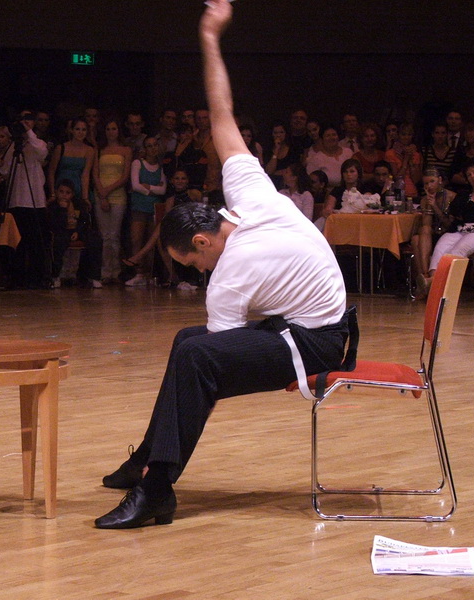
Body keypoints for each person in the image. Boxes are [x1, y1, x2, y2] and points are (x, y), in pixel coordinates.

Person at [95, 0, 349, 530]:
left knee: (197, 358)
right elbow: (222, 114)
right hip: (305, 323)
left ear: (203, 240)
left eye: (191, 263)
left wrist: (210, 34)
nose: (196, 273)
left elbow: (215, 366)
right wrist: (210, 36)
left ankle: (157, 488)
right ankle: (149, 460)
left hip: (317, 342)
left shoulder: (232, 272)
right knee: (188, 343)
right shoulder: (249, 192)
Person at [421, 158, 474, 292]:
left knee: (458, 250)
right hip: (459, 229)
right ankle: (434, 283)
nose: (472, 176)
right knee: (440, 247)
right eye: (469, 174)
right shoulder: (464, 195)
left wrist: (472, 210)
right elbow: (456, 211)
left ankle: (433, 282)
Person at [122, 169, 202, 289]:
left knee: (161, 227)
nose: (180, 181)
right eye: (177, 178)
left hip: (194, 227)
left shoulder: (194, 193)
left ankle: (139, 256)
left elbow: (203, 211)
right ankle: (174, 277)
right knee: (161, 236)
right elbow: (168, 217)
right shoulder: (171, 198)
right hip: (178, 228)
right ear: (172, 181)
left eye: (183, 178)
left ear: (187, 181)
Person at [0, 111, 50, 289]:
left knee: (36, 242)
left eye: (28, 120)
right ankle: (17, 277)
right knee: (17, 241)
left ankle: (37, 278)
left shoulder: (37, 142)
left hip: (35, 201)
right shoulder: (14, 146)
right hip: (16, 200)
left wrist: (28, 131)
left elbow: (42, 152)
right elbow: (5, 170)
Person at [93, 117, 132, 283]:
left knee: (114, 235)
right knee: (104, 236)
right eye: (108, 129)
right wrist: (102, 194)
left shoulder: (126, 150)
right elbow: (95, 173)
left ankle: (115, 271)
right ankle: (104, 271)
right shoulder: (99, 150)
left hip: (118, 195)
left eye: (114, 128)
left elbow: (125, 176)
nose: (111, 132)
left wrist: (108, 190)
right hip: (100, 194)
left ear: (119, 130)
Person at [125, 136, 167, 287]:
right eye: (149, 146)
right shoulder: (137, 163)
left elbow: (163, 190)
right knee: (136, 240)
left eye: (155, 145)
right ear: (145, 149)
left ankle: (149, 275)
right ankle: (138, 273)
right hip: (139, 207)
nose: (153, 148)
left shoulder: (161, 167)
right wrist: (152, 190)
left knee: (151, 242)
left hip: (154, 208)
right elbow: (135, 185)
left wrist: (148, 187)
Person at [411, 168, 457, 297]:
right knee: (417, 237)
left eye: (432, 181)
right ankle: (426, 277)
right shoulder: (425, 200)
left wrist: (435, 206)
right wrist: (428, 204)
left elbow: (449, 224)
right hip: (432, 235)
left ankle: (425, 282)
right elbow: (426, 224)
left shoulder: (452, 197)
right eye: (426, 183)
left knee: (418, 238)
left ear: (440, 180)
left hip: (448, 234)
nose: (429, 186)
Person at [385, 122, 422, 197]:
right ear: (398, 135)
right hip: (396, 194)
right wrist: (405, 160)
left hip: (413, 193)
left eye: (409, 134)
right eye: (403, 134)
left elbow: (416, 180)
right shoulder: (390, 154)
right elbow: (396, 178)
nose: (406, 137)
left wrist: (411, 162)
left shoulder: (416, 154)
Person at [264, 121, 291, 189]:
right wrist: (276, 150)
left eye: (281, 132)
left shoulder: (292, 149)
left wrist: (276, 172)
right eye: (275, 133)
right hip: (272, 184)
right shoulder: (268, 150)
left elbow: (293, 171)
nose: (278, 135)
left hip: (288, 184)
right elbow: (269, 171)